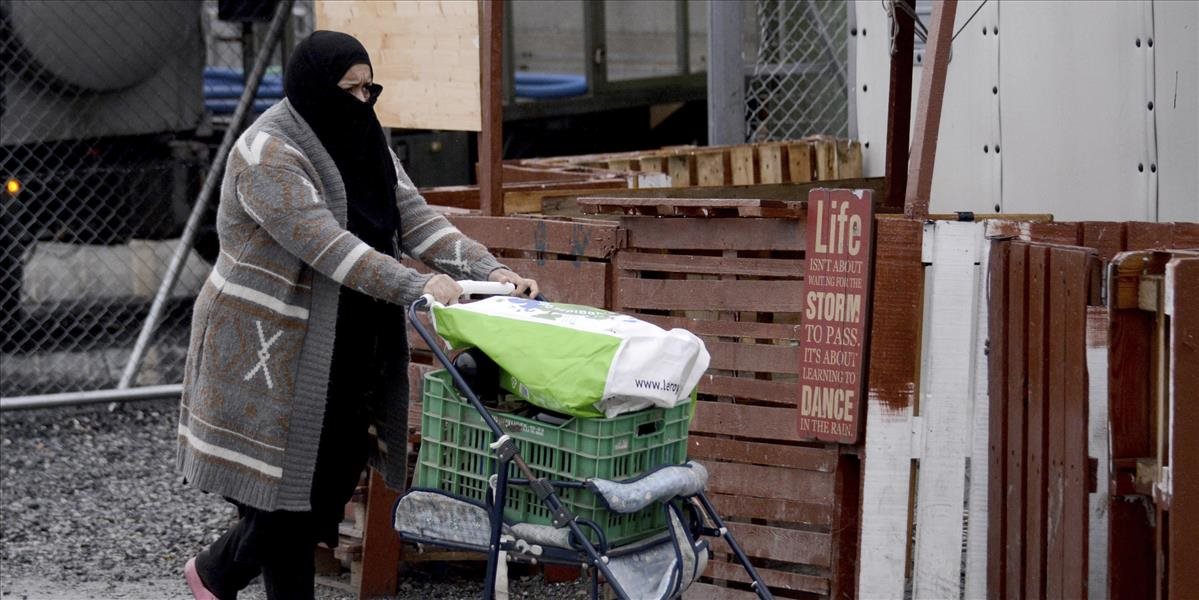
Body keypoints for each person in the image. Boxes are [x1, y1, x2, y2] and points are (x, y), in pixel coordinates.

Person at [178, 31, 537, 600]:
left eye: (371, 87)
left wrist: (488, 271)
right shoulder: (267, 153)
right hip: (270, 346)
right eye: (352, 88)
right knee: (286, 499)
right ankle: (223, 575)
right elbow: (330, 247)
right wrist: (417, 285)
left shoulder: (364, 136)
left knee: (328, 484)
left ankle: (217, 572)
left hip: (347, 338)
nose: (365, 100)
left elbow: (415, 218)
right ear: (316, 88)